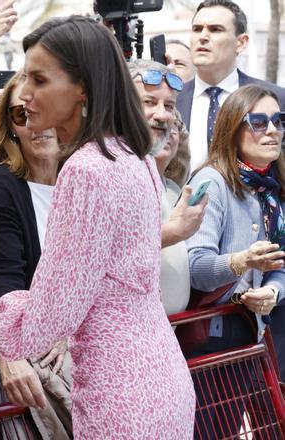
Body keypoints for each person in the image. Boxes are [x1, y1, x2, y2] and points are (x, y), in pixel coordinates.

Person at [0, 16, 195, 439]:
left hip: (121, 394)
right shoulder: (133, 155)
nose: (26, 94)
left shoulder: (87, 169)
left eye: (39, 79)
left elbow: (50, 317)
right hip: (159, 379)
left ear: (83, 88)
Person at [0, 70, 72, 438]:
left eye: (50, 111)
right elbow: (7, 278)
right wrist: (11, 353)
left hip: (86, 349)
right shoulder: (2, 185)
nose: (39, 124)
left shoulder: (84, 177)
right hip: (39, 360)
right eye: (23, 115)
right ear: (10, 125)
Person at [186, 85, 285, 397]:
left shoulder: (272, 187)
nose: (272, 131)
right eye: (258, 122)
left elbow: (281, 264)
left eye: (278, 121)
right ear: (232, 129)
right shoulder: (211, 181)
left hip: (250, 332)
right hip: (207, 335)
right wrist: (241, 261)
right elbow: (195, 267)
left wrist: (272, 290)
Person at [128, 59, 207, 315]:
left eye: (169, 105)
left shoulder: (160, 180)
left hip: (163, 333)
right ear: (121, 105)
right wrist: (174, 232)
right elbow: (104, 256)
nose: (162, 115)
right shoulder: (107, 172)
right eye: (149, 102)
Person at [176, 0, 285, 170]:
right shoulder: (171, 100)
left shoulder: (276, 99)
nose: (202, 37)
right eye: (197, 29)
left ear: (241, 42)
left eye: (215, 29)